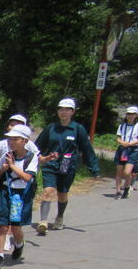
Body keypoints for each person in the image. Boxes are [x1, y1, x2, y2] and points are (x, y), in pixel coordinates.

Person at [34, 98, 99, 233]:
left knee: (62, 193)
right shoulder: (51, 128)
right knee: (48, 191)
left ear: (72, 112)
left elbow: (87, 148)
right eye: (61, 109)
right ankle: (43, 222)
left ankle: (59, 216)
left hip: (68, 166)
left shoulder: (77, 129)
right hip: (50, 164)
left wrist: (93, 168)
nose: (63, 112)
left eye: (67, 110)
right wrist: (32, 159)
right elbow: (37, 146)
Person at [0, 124, 39, 269]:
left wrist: (12, 166)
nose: (11, 142)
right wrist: (4, 168)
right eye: (10, 139)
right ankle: (0, 256)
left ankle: (19, 244)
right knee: (3, 225)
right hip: (6, 191)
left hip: (21, 194)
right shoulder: (7, 155)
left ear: (25, 141)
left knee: (16, 227)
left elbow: (27, 177)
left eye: (15, 139)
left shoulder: (32, 158)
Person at [113, 106, 138, 199]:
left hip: (132, 150)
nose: (130, 116)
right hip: (122, 149)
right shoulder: (122, 125)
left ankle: (127, 187)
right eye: (128, 114)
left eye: (132, 114)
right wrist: (123, 143)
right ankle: (118, 191)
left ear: (136, 115)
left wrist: (130, 143)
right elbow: (118, 138)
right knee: (119, 172)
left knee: (127, 172)